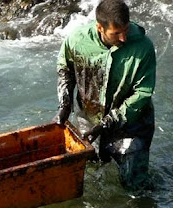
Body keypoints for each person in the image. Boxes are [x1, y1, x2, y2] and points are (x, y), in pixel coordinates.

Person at [54, 0, 156, 191]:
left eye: (126, 30)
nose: (124, 37)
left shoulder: (143, 47)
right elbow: (65, 70)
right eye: (116, 33)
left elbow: (142, 93)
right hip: (89, 121)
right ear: (99, 27)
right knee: (91, 173)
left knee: (136, 186)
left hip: (131, 125)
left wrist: (109, 121)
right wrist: (65, 105)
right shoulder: (76, 40)